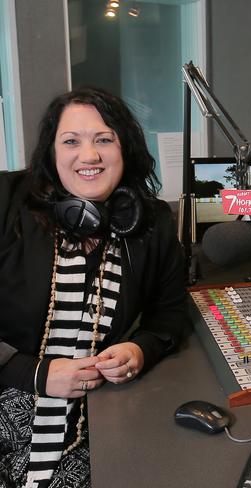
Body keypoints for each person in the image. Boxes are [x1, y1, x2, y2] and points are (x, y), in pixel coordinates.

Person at [0, 87, 191, 487]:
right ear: (52, 152)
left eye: (104, 140)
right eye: (71, 141)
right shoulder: (7, 201)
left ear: (126, 148)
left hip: (91, 417)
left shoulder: (151, 223)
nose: (89, 156)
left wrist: (140, 349)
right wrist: (33, 373)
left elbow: (170, 315)